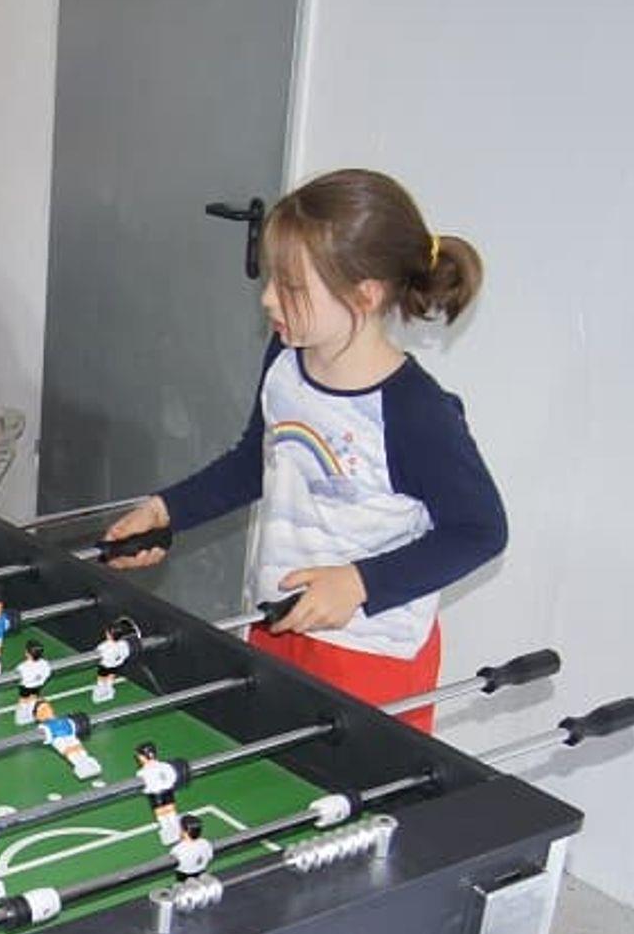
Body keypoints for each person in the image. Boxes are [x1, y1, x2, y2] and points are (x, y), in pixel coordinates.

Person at [104, 169, 506, 733]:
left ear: (364, 294)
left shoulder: (415, 412)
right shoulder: (285, 359)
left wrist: (360, 583)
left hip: (369, 653)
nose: (268, 297)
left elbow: (480, 530)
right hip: (280, 619)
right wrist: (169, 511)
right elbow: (257, 462)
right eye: (273, 277)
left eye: (291, 287)